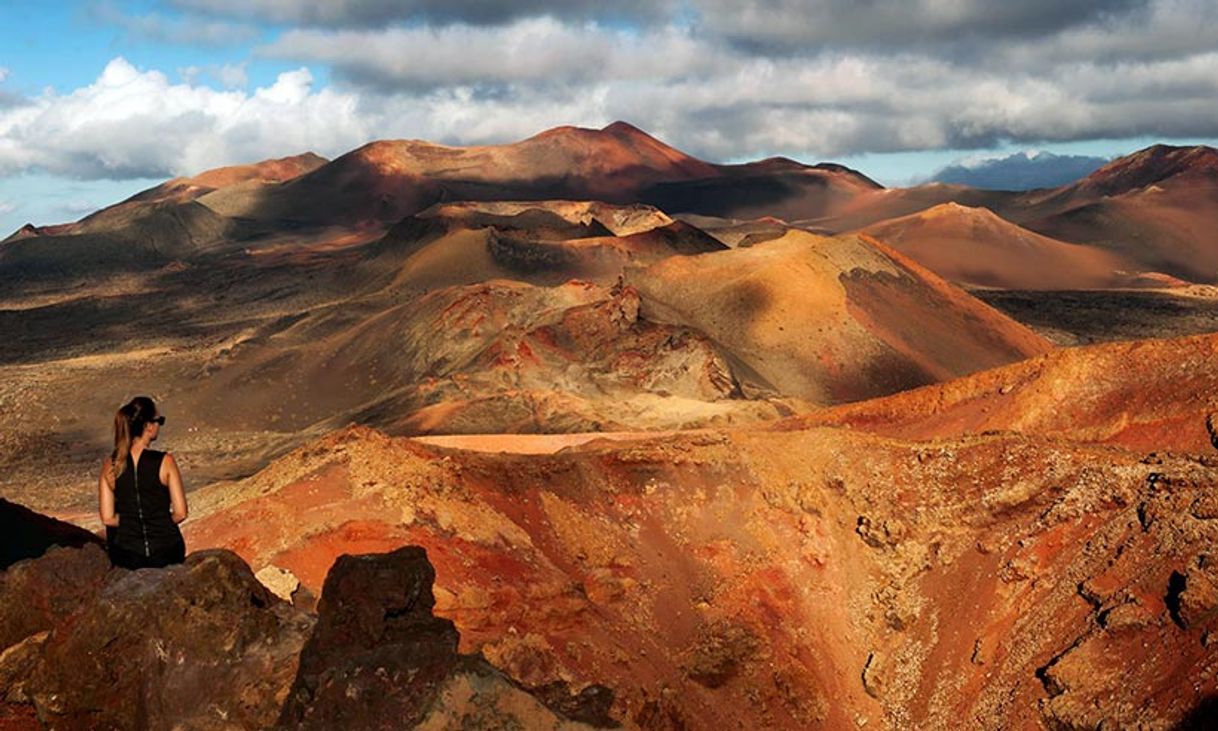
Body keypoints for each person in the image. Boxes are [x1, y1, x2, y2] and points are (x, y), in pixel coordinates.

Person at [98, 396, 188, 569]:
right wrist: (158, 522)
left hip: (128, 555)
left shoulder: (110, 465)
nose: (159, 425)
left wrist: (132, 524)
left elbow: (108, 519)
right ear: (148, 426)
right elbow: (181, 513)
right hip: (166, 552)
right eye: (159, 420)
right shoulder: (165, 462)